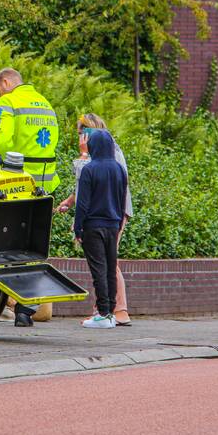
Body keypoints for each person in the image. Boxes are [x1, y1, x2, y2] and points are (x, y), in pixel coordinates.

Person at [0, 68, 60, 327]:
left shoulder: (8, 101)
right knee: (34, 246)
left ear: (6, 83)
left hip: (17, 182)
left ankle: (6, 305)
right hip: (44, 185)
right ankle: (27, 308)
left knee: (6, 243)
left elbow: (4, 139)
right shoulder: (46, 104)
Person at [57, 114, 133, 325]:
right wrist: (70, 201)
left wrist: (78, 226)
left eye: (82, 133)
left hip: (104, 216)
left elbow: (91, 183)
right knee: (107, 263)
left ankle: (113, 311)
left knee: (105, 264)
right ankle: (108, 310)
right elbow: (89, 185)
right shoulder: (107, 156)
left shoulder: (105, 155)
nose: (80, 138)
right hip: (113, 215)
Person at [72, 129, 129, 329]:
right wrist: (119, 220)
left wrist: (77, 228)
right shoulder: (119, 169)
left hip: (93, 226)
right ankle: (111, 312)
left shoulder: (90, 169)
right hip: (113, 225)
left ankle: (103, 313)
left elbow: (83, 204)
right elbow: (122, 197)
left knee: (99, 270)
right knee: (110, 268)